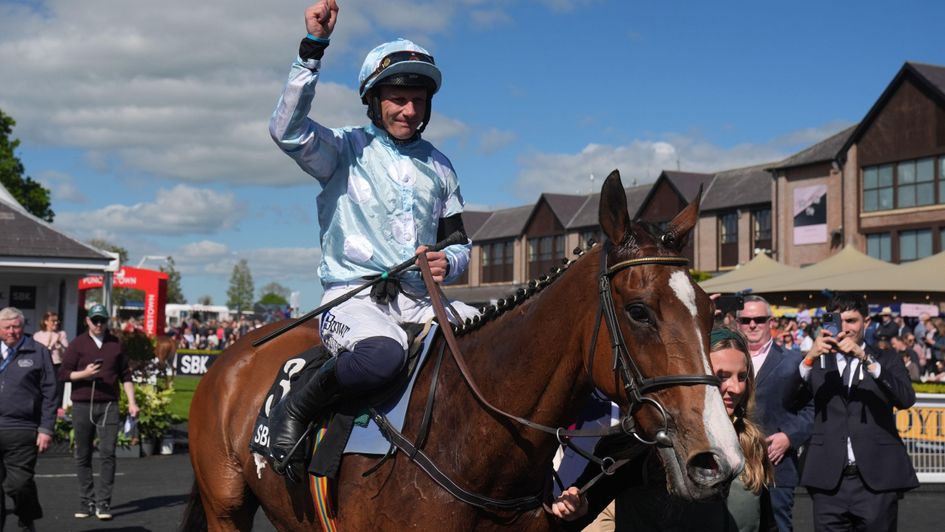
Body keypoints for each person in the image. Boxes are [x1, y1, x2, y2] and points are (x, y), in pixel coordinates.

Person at [266, 0, 478, 479]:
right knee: (383, 354)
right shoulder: (342, 149)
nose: (409, 109)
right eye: (398, 98)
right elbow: (285, 130)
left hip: (422, 301)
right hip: (352, 299)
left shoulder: (441, 167)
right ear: (373, 100)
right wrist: (312, 49)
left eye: (418, 100)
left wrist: (450, 264)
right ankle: (299, 406)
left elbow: (459, 243)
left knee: (499, 335)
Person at [551, 327, 776, 532]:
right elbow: (588, 504)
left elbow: (767, 524)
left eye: (742, 376)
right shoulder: (645, 441)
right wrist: (577, 505)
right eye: (721, 376)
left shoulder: (749, 440)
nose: (735, 387)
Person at [788, 293, 918, 531]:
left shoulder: (886, 358)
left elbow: (906, 398)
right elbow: (789, 402)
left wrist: (865, 357)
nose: (845, 328)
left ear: (866, 322)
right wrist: (808, 359)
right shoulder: (817, 361)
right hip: (828, 480)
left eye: (851, 321)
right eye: (839, 321)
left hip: (877, 478)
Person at [736, 295, 812, 532]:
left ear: (771, 323)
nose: (752, 325)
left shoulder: (793, 361)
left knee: (776, 527)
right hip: (735, 463)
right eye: (746, 320)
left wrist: (789, 436)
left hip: (777, 465)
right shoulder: (724, 359)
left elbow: (813, 408)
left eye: (759, 319)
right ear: (737, 324)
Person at [59, 304, 139, 521]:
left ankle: (103, 503)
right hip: (82, 404)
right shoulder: (77, 345)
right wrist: (84, 374)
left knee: (108, 453)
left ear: (107, 322)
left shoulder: (115, 344)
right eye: (95, 320)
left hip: (109, 405)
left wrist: (132, 402)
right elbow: (63, 374)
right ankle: (87, 502)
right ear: (87, 321)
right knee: (82, 454)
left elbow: (126, 375)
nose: (99, 324)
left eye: (102, 320)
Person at [0, 307, 57, 532]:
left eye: (16, 327)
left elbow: (50, 393)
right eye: (7, 327)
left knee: (19, 485)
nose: (12, 331)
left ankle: (26, 517)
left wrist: (46, 429)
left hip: (22, 430)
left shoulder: (38, 351)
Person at [31, 311, 68, 412]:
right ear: (46, 321)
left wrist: (60, 347)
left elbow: (66, 353)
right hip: (42, 365)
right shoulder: (38, 335)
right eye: (53, 321)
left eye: (57, 321)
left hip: (57, 365)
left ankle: (57, 411)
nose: (56, 323)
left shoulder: (61, 334)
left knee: (58, 389)